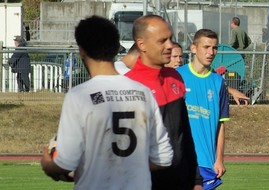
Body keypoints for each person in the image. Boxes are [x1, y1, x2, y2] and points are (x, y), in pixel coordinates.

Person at [40, 15, 173, 190]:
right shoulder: (143, 93)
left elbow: (66, 163)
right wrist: (129, 166)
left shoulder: (79, 95)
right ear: (117, 47)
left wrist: (48, 165)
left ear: (82, 51)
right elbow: (163, 158)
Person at [125, 15, 201, 190]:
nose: (170, 46)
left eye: (170, 39)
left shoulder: (175, 78)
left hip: (181, 181)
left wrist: (196, 180)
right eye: (162, 41)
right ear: (141, 44)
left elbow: (185, 135)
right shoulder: (128, 88)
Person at [176, 29, 230, 190]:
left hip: (206, 162)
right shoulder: (176, 76)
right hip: (181, 160)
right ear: (193, 48)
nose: (211, 52)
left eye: (214, 48)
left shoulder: (218, 82)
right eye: (206, 47)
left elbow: (221, 124)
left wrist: (219, 159)